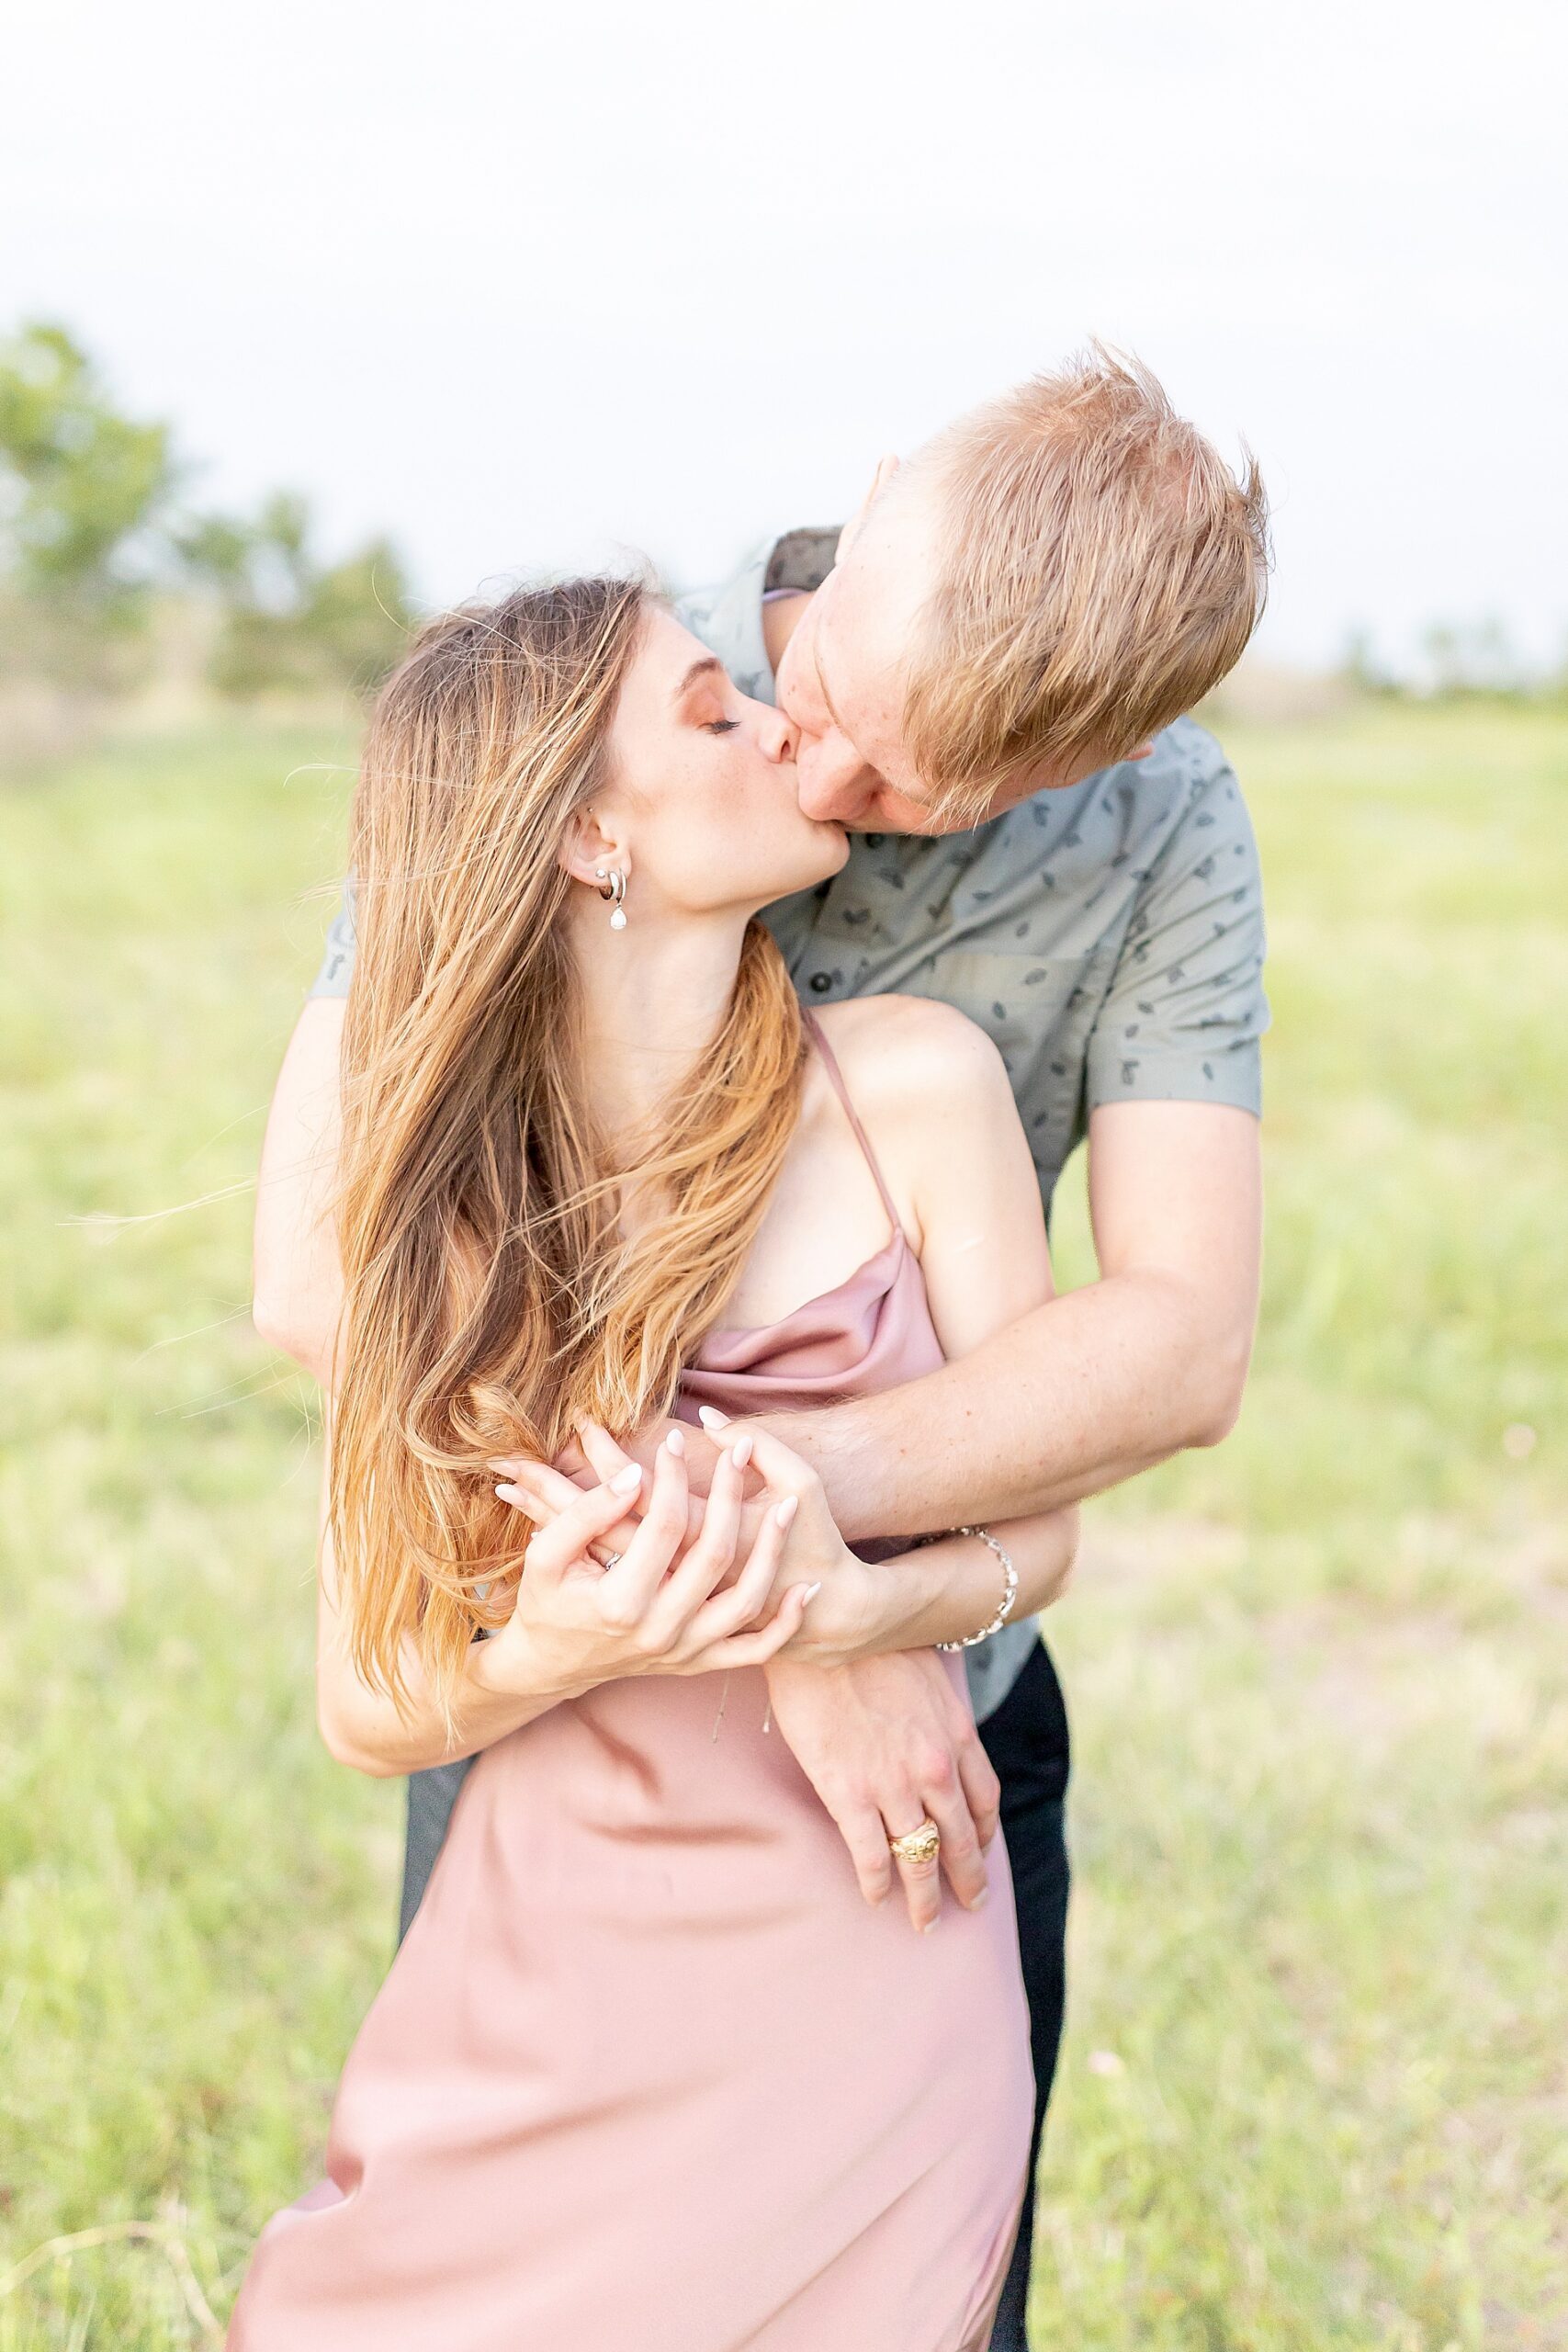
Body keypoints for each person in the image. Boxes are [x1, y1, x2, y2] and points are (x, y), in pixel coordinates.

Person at [252, 346, 1270, 2347]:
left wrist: (827, 1576)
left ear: (1066, 776)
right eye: (808, 713)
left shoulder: (1147, 840)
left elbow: (1170, 1339)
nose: (821, 780)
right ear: (877, 501)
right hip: (572, 1732)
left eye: (908, 786)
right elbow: (330, 1274)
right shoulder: (579, 702)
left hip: (918, 1774)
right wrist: (741, 1605)